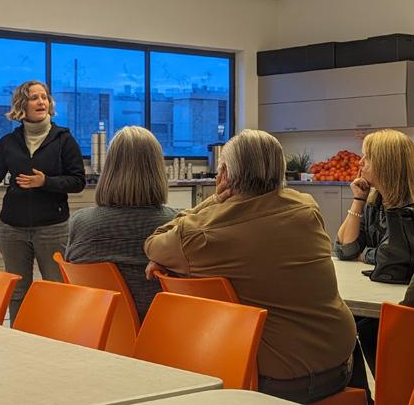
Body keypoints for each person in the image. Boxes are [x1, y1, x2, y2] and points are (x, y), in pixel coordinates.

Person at [144, 129, 357, 404]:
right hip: (338, 361)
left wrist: (212, 200)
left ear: (224, 175)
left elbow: (153, 242)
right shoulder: (306, 207)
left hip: (272, 380)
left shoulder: (201, 235)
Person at [0, 80, 85, 325]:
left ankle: (57, 336)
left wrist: (46, 182)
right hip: (12, 228)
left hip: (52, 228)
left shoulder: (64, 140)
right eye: (34, 98)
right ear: (22, 105)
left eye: (44, 97)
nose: (41, 102)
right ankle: (19, 335)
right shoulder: (9, 142)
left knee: (56, 288)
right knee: (17, 290)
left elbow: (78, 181)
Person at [65, 126, 178, 320]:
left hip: (96, 328)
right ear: (158, 171)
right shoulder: (175, 226)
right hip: (159, 330)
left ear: (109, 169)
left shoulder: (80, 223)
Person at [335, 128, 414, 374]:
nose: (360, 162)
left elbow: (391, 260)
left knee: (356, 325)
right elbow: (345, 249)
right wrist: (359, 200)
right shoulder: (376, 200)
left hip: (406, 307)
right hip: (382, 297)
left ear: (385, 163)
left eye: (367, 157)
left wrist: (367, 254)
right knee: (347, 323)